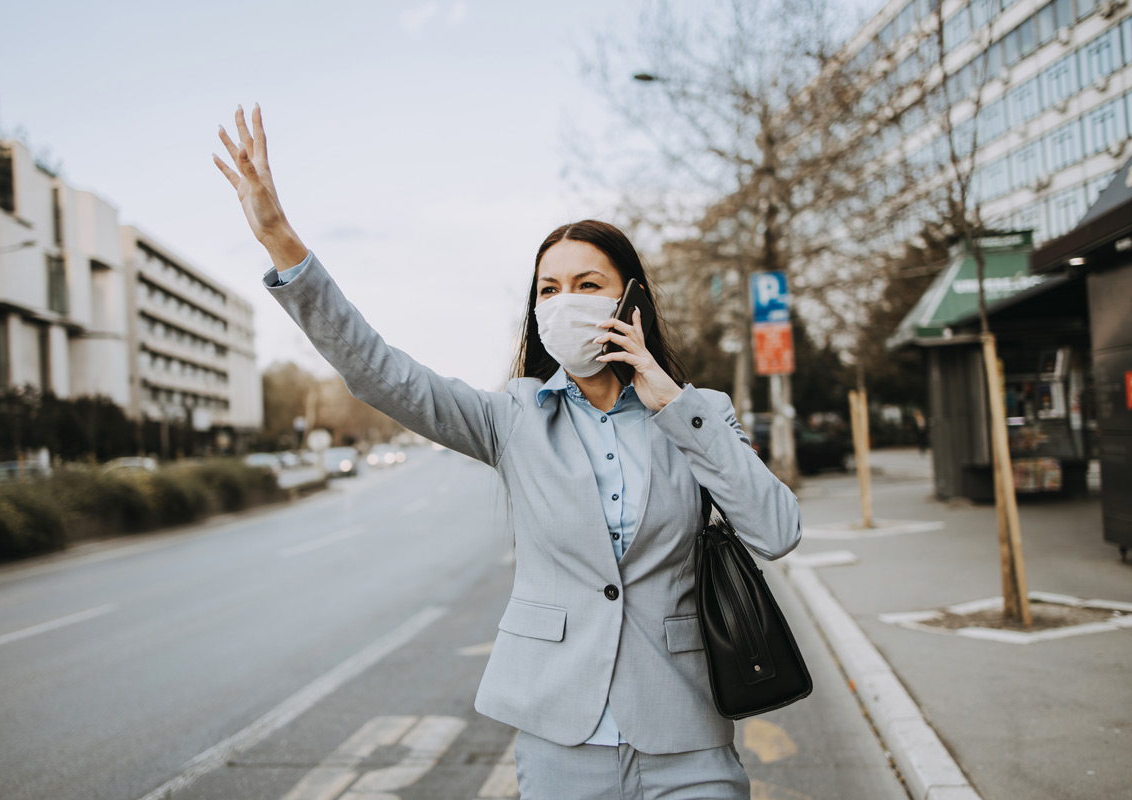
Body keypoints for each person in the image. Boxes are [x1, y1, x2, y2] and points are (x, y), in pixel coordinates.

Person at [213, 105, 802, 800]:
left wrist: (673, 401)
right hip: (561, 739)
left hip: (685, 733)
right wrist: (283, 243)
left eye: (588, 285)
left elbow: (778, 530)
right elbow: (379, 372)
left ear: (631, 298)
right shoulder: (513, 418)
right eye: (548, 289)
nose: (564, 302)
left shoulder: (697, 415)